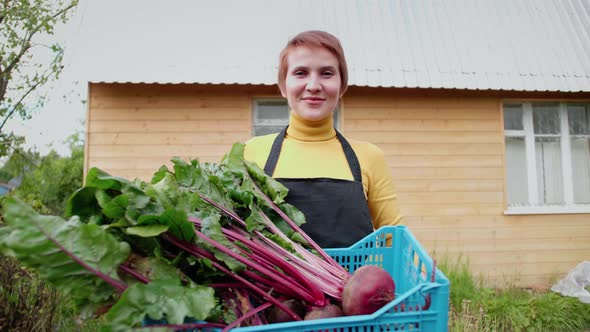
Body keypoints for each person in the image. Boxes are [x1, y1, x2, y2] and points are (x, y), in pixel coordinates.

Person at [244, 30, 402, 248]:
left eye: (327, 73)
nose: (313, 85)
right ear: (282, 86)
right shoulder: (249, 153)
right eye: (300, 73)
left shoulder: (369, 156)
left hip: (357, 282)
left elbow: (394, 240)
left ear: (342, 86)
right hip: (270, 283)